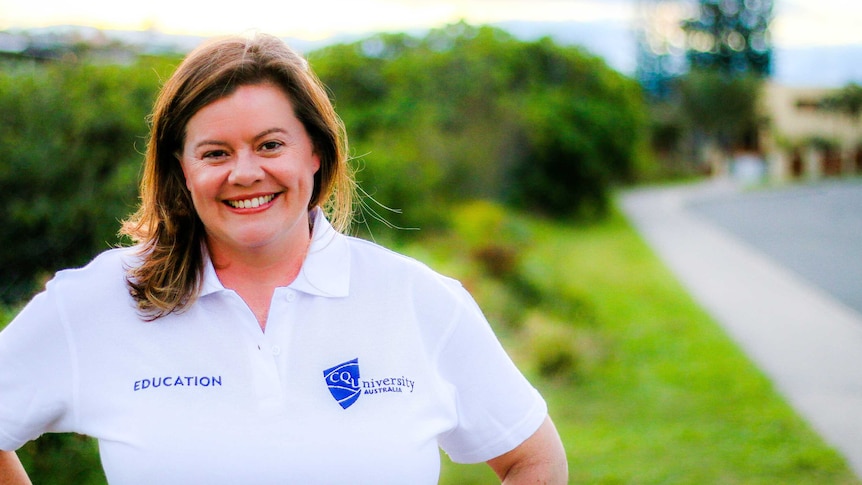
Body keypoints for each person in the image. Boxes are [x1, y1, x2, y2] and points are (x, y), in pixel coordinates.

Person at [0, 33, 567, 484]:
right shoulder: (104, 299)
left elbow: (534, 460)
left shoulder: (417, 300)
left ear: (316, 152)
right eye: (216, 153)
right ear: (181, 170)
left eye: (270, 145)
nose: (245, 173)